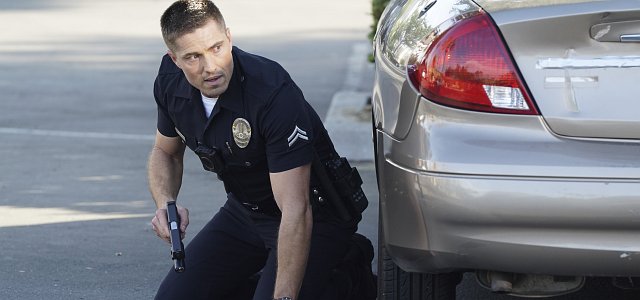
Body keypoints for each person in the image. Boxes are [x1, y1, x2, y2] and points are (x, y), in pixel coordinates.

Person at [148, 1, 375, 299]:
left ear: (229, 37)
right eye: (192, 57)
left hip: (314, 217)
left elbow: (296, 208)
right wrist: (166, 203)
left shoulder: (270, 93)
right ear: (174, 59)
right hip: (244, 212)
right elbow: (165, 152)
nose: (210, 67)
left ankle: (347, 273)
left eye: (217, 48)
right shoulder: (169, 82)